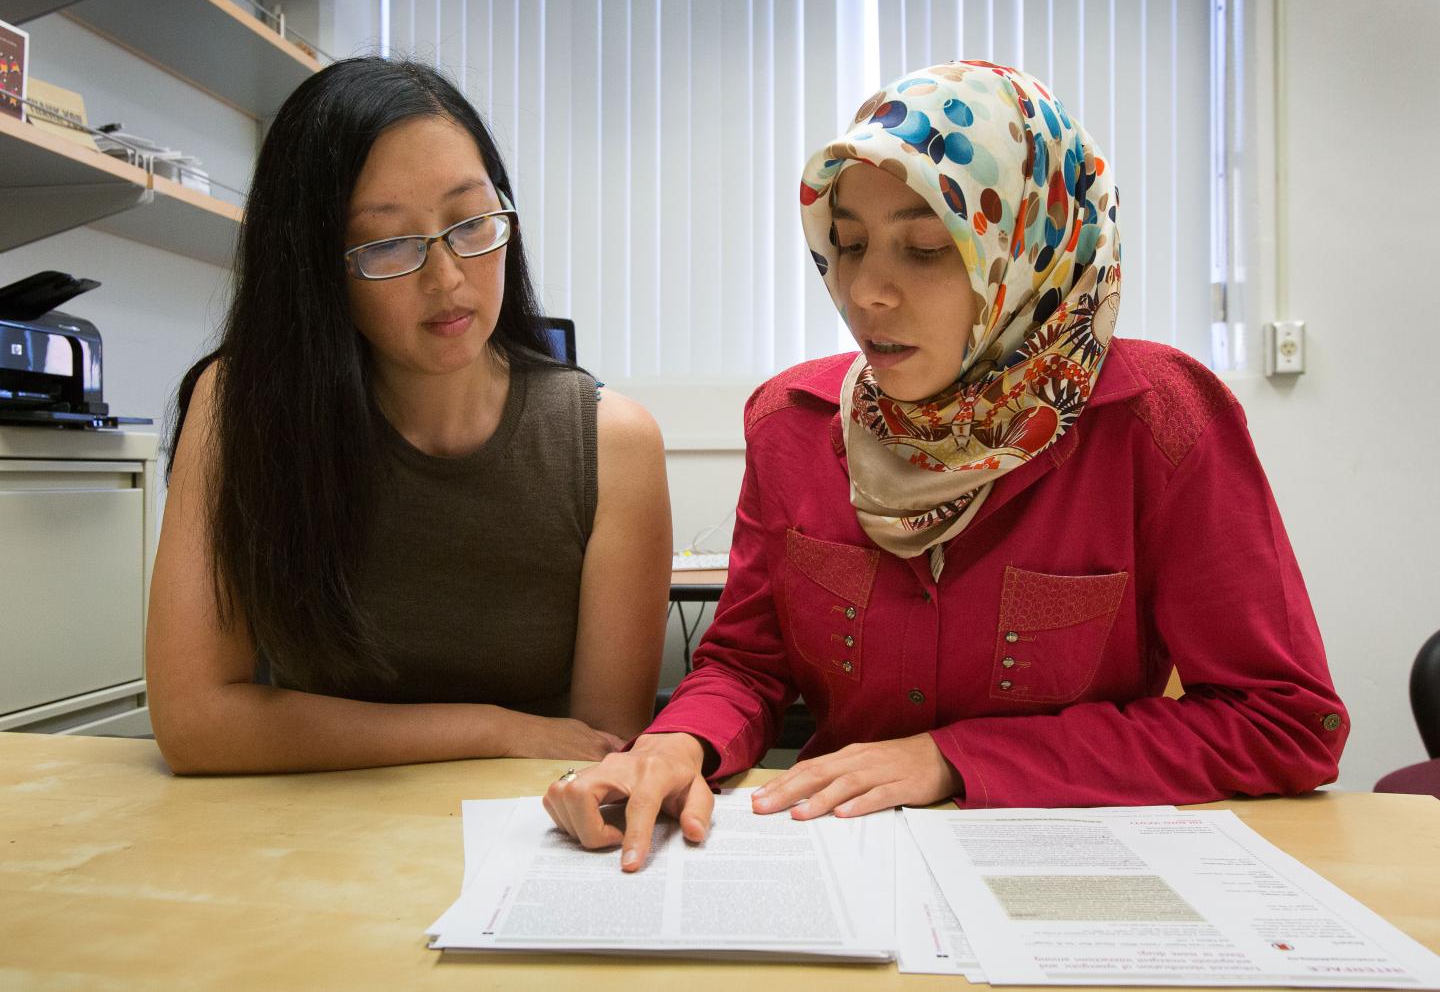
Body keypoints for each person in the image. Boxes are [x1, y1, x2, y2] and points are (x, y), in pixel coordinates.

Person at [544, 60, 1348, 870]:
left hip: (1074, 869)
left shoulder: (1160, 421)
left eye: (927, 247)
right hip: (848, 867)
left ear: (1028, 250)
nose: (865, 292)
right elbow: (748, 664)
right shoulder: (792, 424)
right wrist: (684, 739)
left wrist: (954, 758)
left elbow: (1283, 721)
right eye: (848, 244)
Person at [147, 57, 671, 774]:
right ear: (314, 269)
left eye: (470, 220)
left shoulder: (613, 444)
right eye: (389, 242)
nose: (448, 276)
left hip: (527, 840)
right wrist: (491, 729)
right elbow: (195, 721)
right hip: (303, 838)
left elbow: (597, 749)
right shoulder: (245, 410)